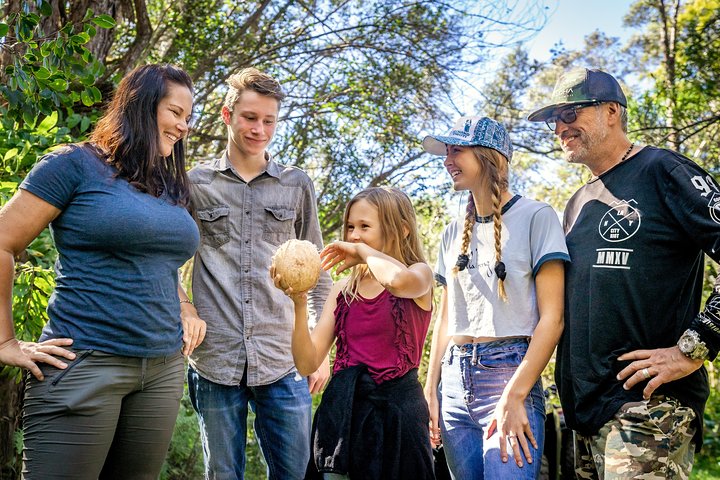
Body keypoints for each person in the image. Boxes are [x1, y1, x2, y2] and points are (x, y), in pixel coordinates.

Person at [0, 63, 204, 479]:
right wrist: (4, 340)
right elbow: (3, 242)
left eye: (188, 116)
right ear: (141, 106)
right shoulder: (73, 165)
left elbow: (156, 263)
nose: (184, 126)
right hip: (85, 364)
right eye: (174, 112)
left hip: (162, 370)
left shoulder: (167, 186)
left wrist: (185, 305)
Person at [527, 66, 720, 478]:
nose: (559, 127)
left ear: (612, 111)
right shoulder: (578, 203)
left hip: (648, 408)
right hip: (584, 415)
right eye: (554, 119)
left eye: (570, 113)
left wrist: (694, 347)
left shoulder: (664, 170)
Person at [180, 67, 332, 480]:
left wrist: (319, 349)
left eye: (269, 120)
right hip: (216, 358)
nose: (259, 129)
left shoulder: (296, 185)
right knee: (222, 474)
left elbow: (319, 271)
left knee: (296, 473)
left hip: (283, 357)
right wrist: (185, 307)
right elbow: (164, 260)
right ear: (227, 115)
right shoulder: (195, 184)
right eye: (250, 117)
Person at [422, 116, 568, 480]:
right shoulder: (451, 232)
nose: (447, 161)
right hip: (453, 384)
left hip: (509, 375)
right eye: (446, 152)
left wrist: (515, 395)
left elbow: (553, 320)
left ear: (489, 157)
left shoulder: (537, 216)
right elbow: (446, 317)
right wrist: (431, 388)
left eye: (457, 151)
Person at [272, 186, 436, 479]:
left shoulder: (420, 275)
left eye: (364, 226)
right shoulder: (342, 291)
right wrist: (299, 302)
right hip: (343, 420)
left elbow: (398, 281)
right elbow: (307, 363)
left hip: (400, 420)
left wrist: (362, 252)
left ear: (401, 230)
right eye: (350, 227)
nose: (354, 236)